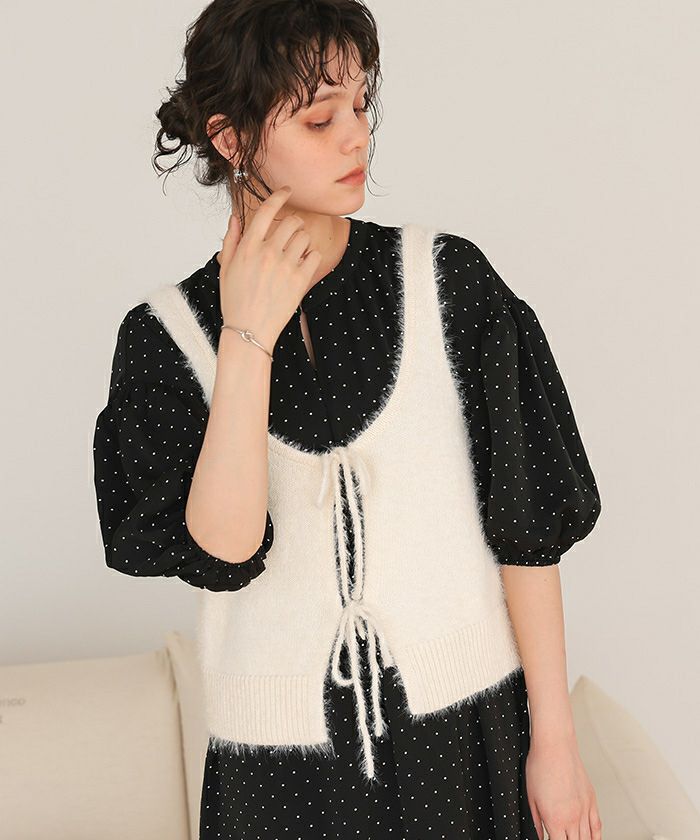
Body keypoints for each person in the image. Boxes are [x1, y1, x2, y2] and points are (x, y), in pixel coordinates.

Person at [92, 1, 604, 838]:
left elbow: (525, 529)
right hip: (277, 778)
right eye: (320, 118)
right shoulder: (166, 337)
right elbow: (227, 549)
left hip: (467, 740)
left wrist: (556, 743)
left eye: (361, 104)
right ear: (231, 139)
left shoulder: (447, 282)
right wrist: (247, 337)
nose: (357, 136)